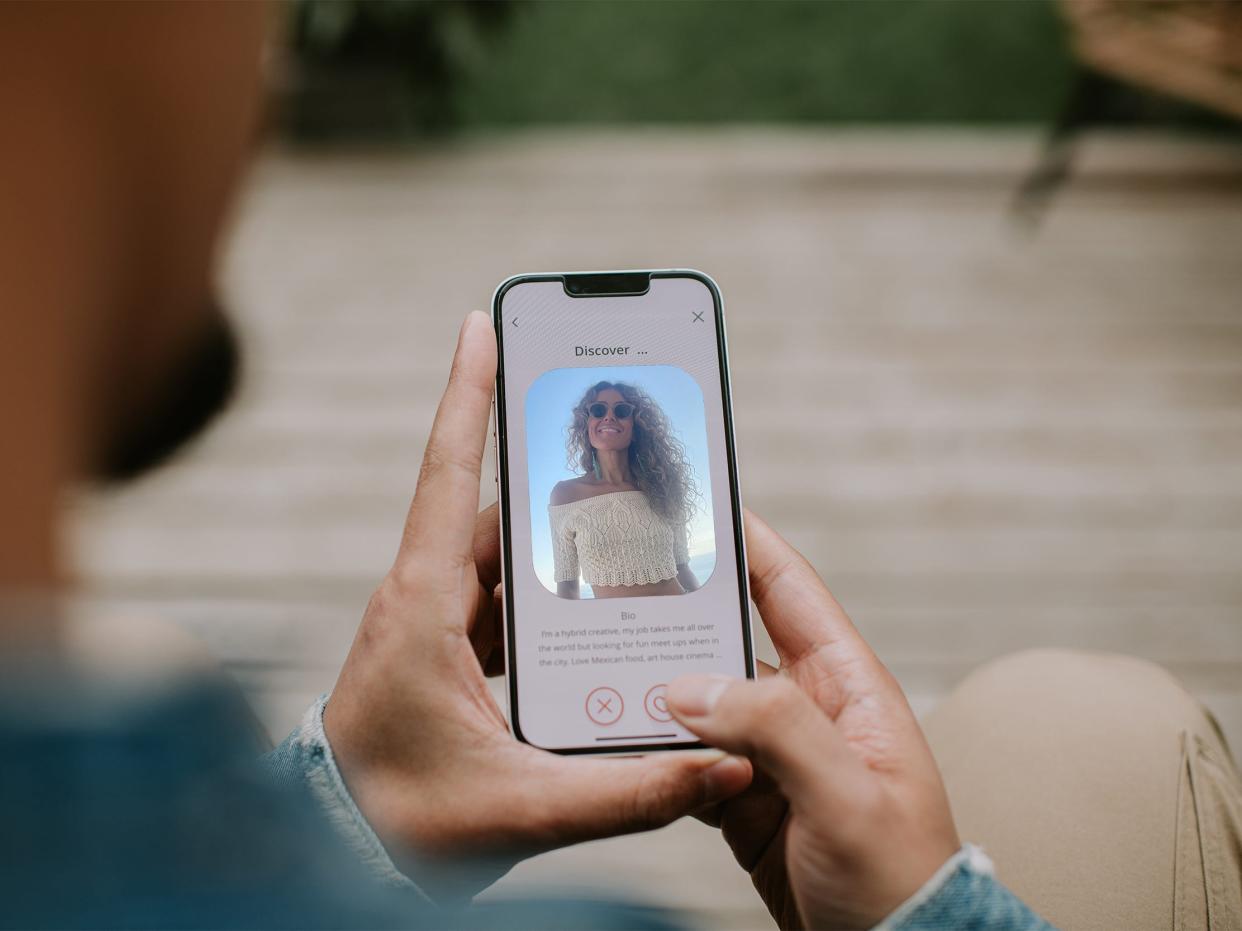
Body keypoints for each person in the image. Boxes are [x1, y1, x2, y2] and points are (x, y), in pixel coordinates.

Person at [3, 5, 1238, 930]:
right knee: (1086, 721)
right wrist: (928, 913)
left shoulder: (665, 499)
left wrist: (350, 793)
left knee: (1064, 715)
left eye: (609, 404)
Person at [550, 381, 701, 599]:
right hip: (613, 629)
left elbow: (683, 568)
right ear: (587, 424)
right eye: (598, 409)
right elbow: (567, 588)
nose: (609, 417)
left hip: (676, 622)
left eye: (621, 411)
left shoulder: (663, 488)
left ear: (636, 427)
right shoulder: (565, 495)